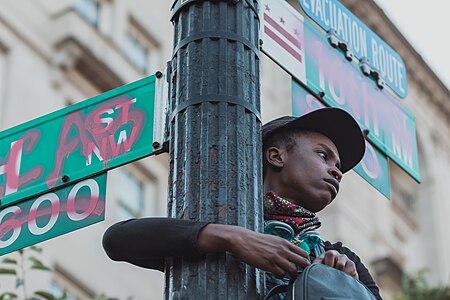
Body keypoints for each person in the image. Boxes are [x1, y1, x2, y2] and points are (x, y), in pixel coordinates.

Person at [102, 107, 382, 299]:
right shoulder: (226, 221)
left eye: (339, 167)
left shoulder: (339, 255)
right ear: (276, 156)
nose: (336, 171)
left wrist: (347, 284)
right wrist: (231, 238)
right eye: (323, 156)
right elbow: (118, 239)